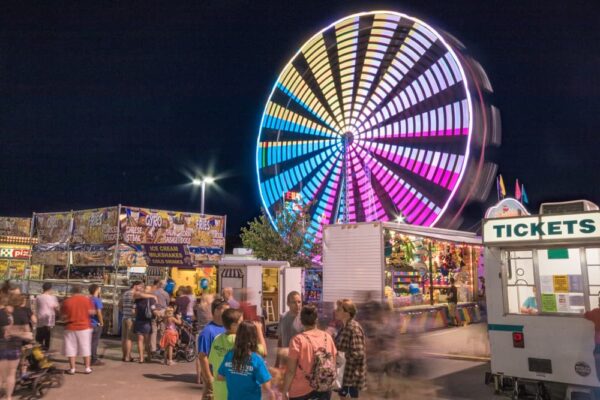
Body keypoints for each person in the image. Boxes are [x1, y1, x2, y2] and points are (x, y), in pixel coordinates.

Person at [282, 305, 337, 400]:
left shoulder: (297, 340)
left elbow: (291, 371)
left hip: (300, 391)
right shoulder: (327, 337)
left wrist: (284, 391)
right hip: (324, 387)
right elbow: (333, 362)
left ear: (301, 321)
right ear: (316, 320)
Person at [217, 320, 274, 400]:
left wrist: (236, 376)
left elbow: (220, 376)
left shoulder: (229, 355)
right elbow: (267, 387)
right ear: (254, 337)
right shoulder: (256, 359)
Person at [0, 293, 32, 400]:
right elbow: (27, 333)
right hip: (14, 346)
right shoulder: (22, 314)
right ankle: (8, 397)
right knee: (11, 373)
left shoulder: (4, 313)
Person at [334, 299, 367, 398]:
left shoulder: (353, 328)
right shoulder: (345, 327)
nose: (336, 311)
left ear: (347, 313)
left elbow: (358, 353)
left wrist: (341, 356)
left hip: (350, 378)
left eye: (339, 309)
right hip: (344, 376)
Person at [197, 298, 229, 399]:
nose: (228, 313)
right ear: (216, 311)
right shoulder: (208, 331)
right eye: (225, 310)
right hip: (213, 377)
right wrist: (209, 378)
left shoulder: (228, 328)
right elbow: (202, 357)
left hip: (225, 377)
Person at [61, 285, 95, 375]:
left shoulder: (67, 301)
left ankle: (72, 369)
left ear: (72, 291)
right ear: (81, 291)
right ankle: (87, 368)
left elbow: (63, 317)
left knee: (71, 348)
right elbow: (92, 312)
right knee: (86, 347)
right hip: (85, 327)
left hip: (70, 327)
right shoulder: (87, 300)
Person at [134, 285, 158, 363]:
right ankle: (148, 356)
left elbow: (134, 311)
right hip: (147, 321)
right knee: (147, 341)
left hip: (138, 320)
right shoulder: (151, 299)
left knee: (140, 340)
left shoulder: (138, 299)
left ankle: (141, 358)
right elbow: (154, 310)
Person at [35, 282, 59, 351]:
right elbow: (56, 308)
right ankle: (45, 351)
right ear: (50, 289)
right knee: (47, 338)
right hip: (49, 320)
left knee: (39, 338)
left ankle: (37, 353)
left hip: (40, 319)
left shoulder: (38, 297)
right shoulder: (53, 297)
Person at [150, 279, 170, 357]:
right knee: (162, 330)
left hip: (154, 311)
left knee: (154, 331)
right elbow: (167, 302)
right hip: (163, 312)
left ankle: (153, 348)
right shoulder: (165, 293)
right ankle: (161, 347)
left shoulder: (153, 292)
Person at [88, 284, 105, 366]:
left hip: (88, 323)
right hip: (95, 323)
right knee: (94, 342)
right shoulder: (97, 300)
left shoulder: (88, 299)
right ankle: (94, 359)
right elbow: (99, 312)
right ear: (96, 290)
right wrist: (102, 322)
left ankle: (88, 358)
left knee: (89, 342)